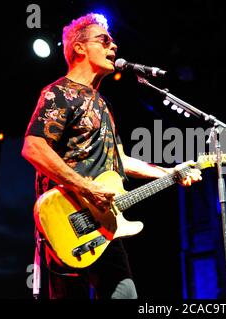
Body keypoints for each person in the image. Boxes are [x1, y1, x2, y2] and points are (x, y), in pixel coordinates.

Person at [21, 13, 202, 299]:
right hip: (66, 222)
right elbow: (33, 147)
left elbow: (120, 160)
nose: (114, 47)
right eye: (104, 40)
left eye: (113, 42)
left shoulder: (102, 103)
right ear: (79, 48)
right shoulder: (59, 93)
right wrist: (86, 187)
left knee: (125, 295)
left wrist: (171, 172)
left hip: (106, 225)